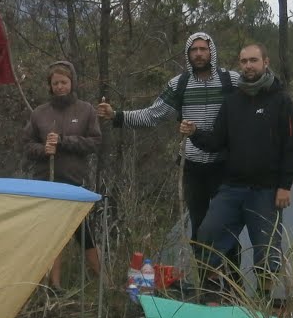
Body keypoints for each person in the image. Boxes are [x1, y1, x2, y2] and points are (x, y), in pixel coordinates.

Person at [98, 33, 237, 285]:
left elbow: (256, 101)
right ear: (188, 54)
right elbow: (153, 115)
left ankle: (235, 286)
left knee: (228, 227)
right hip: (193, 167)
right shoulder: (179, 85)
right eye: (193, 49)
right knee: (199, 228)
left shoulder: (231, 81)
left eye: (203, 49)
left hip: (225, 166)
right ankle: (208, 285)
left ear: (211, 51)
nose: (198, 54)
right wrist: (117, 116)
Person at [181, 43, 293, 302]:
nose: (248, 66)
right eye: (244, 61)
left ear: (265, 62)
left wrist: (284, 185)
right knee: (207, 235)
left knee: (267, 252)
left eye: (253, 61)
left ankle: (264, 300)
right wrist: (195, 133)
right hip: (233, 187)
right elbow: (216, 141)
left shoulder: (280, 100)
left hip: (267, 191)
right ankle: (215, 293)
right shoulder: (232, 101)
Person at [23, 61, 103, 285]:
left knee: (84, 233)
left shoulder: (86, 110)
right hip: (46, 183)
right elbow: (27, 144)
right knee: (52, 235)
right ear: (49, 85)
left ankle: (102, 283)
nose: (60, 87)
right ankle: (53, 286)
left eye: (64, 82)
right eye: (55, 83)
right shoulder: (39, 113)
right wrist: (43, 149)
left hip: (73, 183)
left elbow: (95, 142)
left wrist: (64, 142)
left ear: (72, 83)